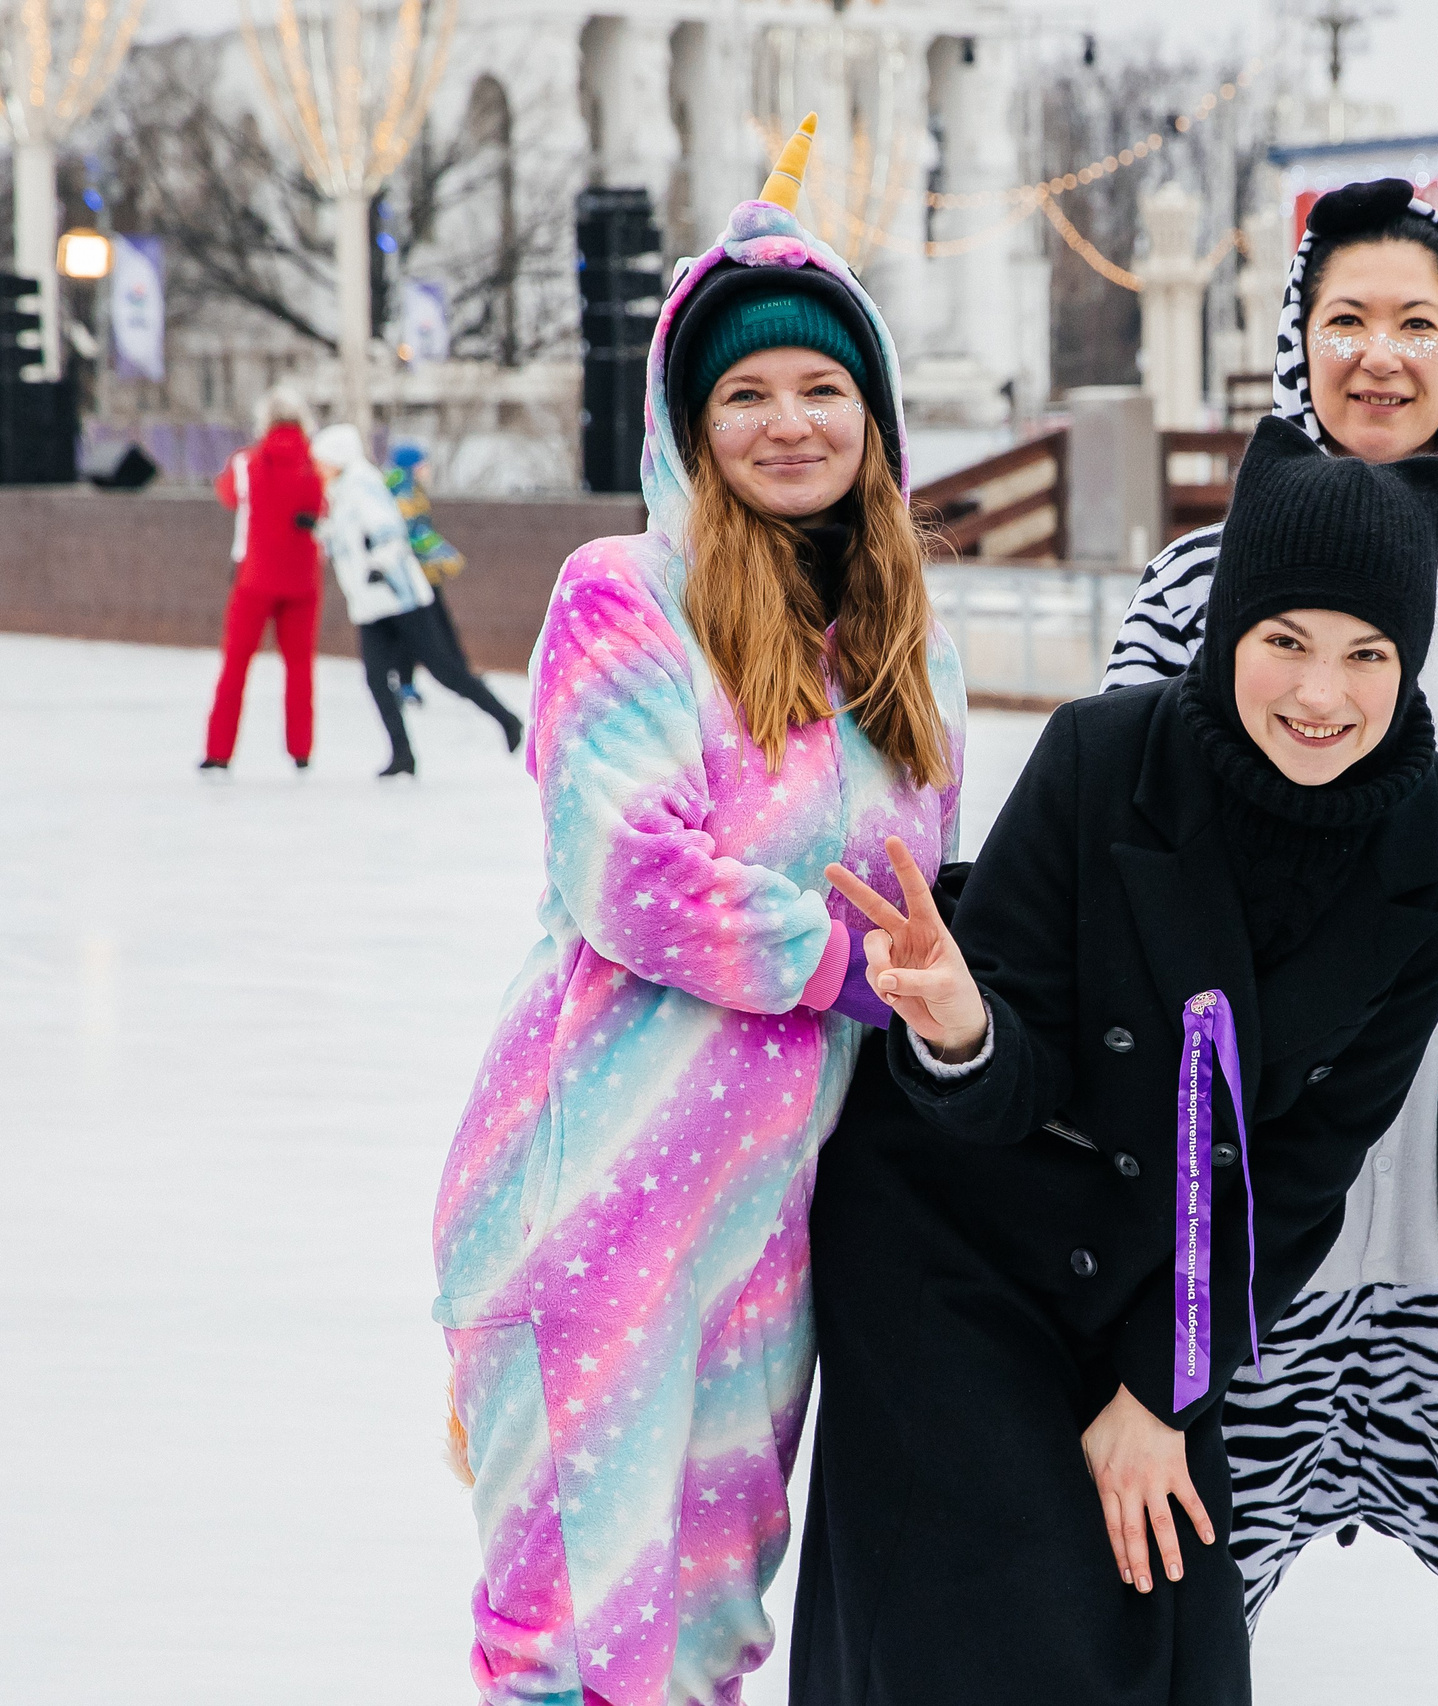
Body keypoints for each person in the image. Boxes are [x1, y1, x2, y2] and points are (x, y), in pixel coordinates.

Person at [789, 417, 1438, 1706]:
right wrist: (958, 1022)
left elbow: (1303, 1164)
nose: (1319, 692)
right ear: (1229, 631)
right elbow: (1006, 1079)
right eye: (1282, 640)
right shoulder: (1102, 759)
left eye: (1365, 652)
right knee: (988, 1639)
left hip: (1156, 1279)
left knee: (1167, 1638)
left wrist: (1159, 1387)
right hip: (957, 1244)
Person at [430, 121, 966, 1706]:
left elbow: (942, 904)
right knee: (572, 1641)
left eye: (821, 388)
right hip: (587, 1196)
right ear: (693, 418)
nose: (789, 423)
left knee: (715, 1637)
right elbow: (630, 873)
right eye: (747, 392)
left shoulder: (902, 652)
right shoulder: (624, 596)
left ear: (872, 417)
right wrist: (857, 964)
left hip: (777, 1230)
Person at [1104, 178, 1438, 1703]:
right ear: (1297, 344)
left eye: (1418, 322)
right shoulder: (1192, 590)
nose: (1380, 353)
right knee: (1160, 1628)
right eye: (1345, 317)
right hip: (1252, 1223)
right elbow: (1112, 885)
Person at [308, 423, 522, 777]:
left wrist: (380, 565)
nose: (318, 468)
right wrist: (319, 531)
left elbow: (390, 533)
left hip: (400, 599)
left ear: (337, 459)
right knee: (377, 679)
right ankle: (402, 755)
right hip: (370, 606)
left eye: (322, 461)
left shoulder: (363, 485)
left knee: (446, 671)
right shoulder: (342, 490)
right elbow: (350, 542)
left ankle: (507, 719)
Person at [201, 385, 325, 772]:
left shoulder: (246, 463)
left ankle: (219, 752)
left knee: (235, 665)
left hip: (253, 579)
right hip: (303, 581)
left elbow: (225, 494)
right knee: (300, 669)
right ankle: (300, 750)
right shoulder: (317, 465)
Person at [383, 441, 477, 702]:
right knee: (428, 629)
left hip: (421, 573)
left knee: (429, 627)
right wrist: (444, 554)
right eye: (422, 464)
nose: (426, 469)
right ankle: (457, 678)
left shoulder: (409, 488)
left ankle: (452, 676)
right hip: (415, 575)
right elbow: (412, 532)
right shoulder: (403, 492)